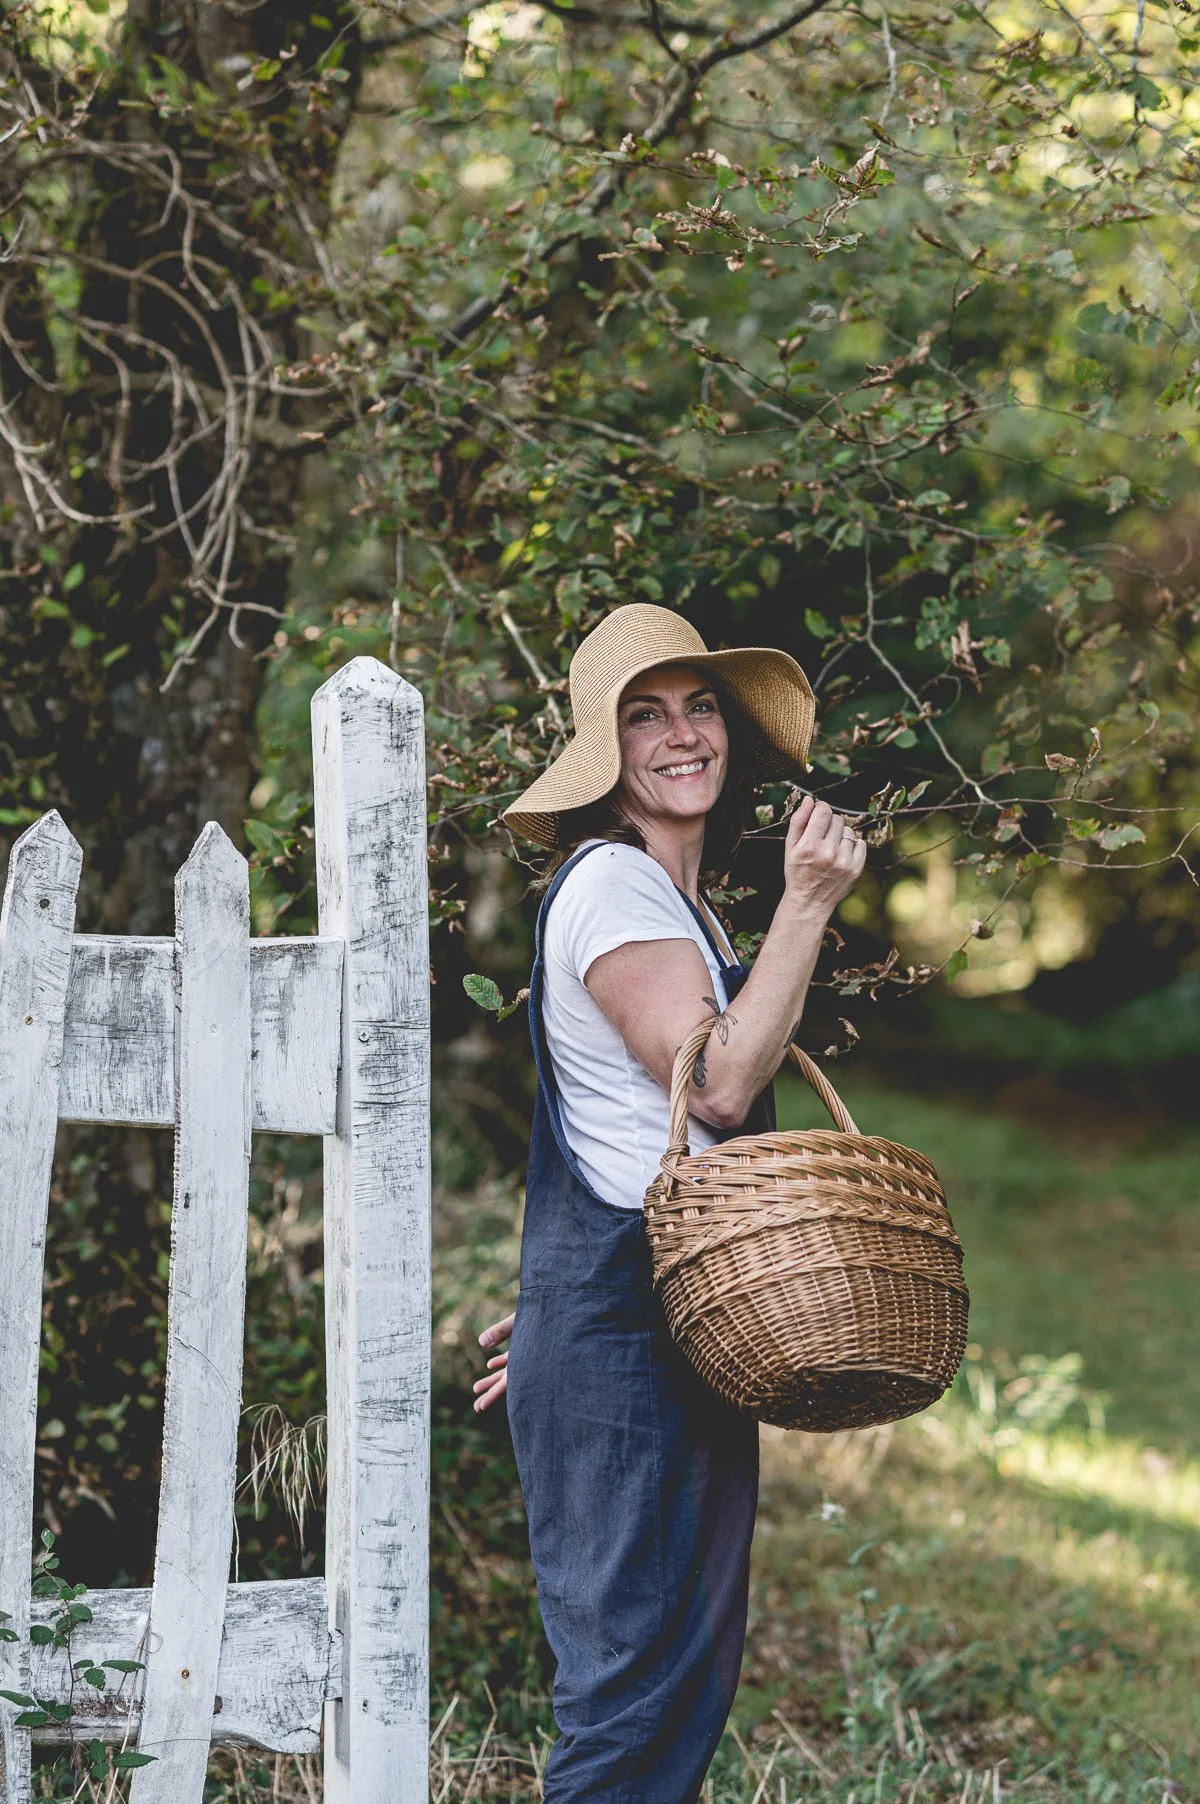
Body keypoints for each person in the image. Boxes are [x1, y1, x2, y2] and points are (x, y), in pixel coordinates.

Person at [473, 603, 866, 1803]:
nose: (684, 734)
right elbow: (724, 1086)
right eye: (645, 716)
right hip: (629, 1350)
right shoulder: (613, 887)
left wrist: (566, 1309)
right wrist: (809, 901)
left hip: (656, 1327)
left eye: (700, 706)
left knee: (675, 1698)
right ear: (608, 753)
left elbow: (630, 1144)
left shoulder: (673, 902)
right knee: (630, 1701)